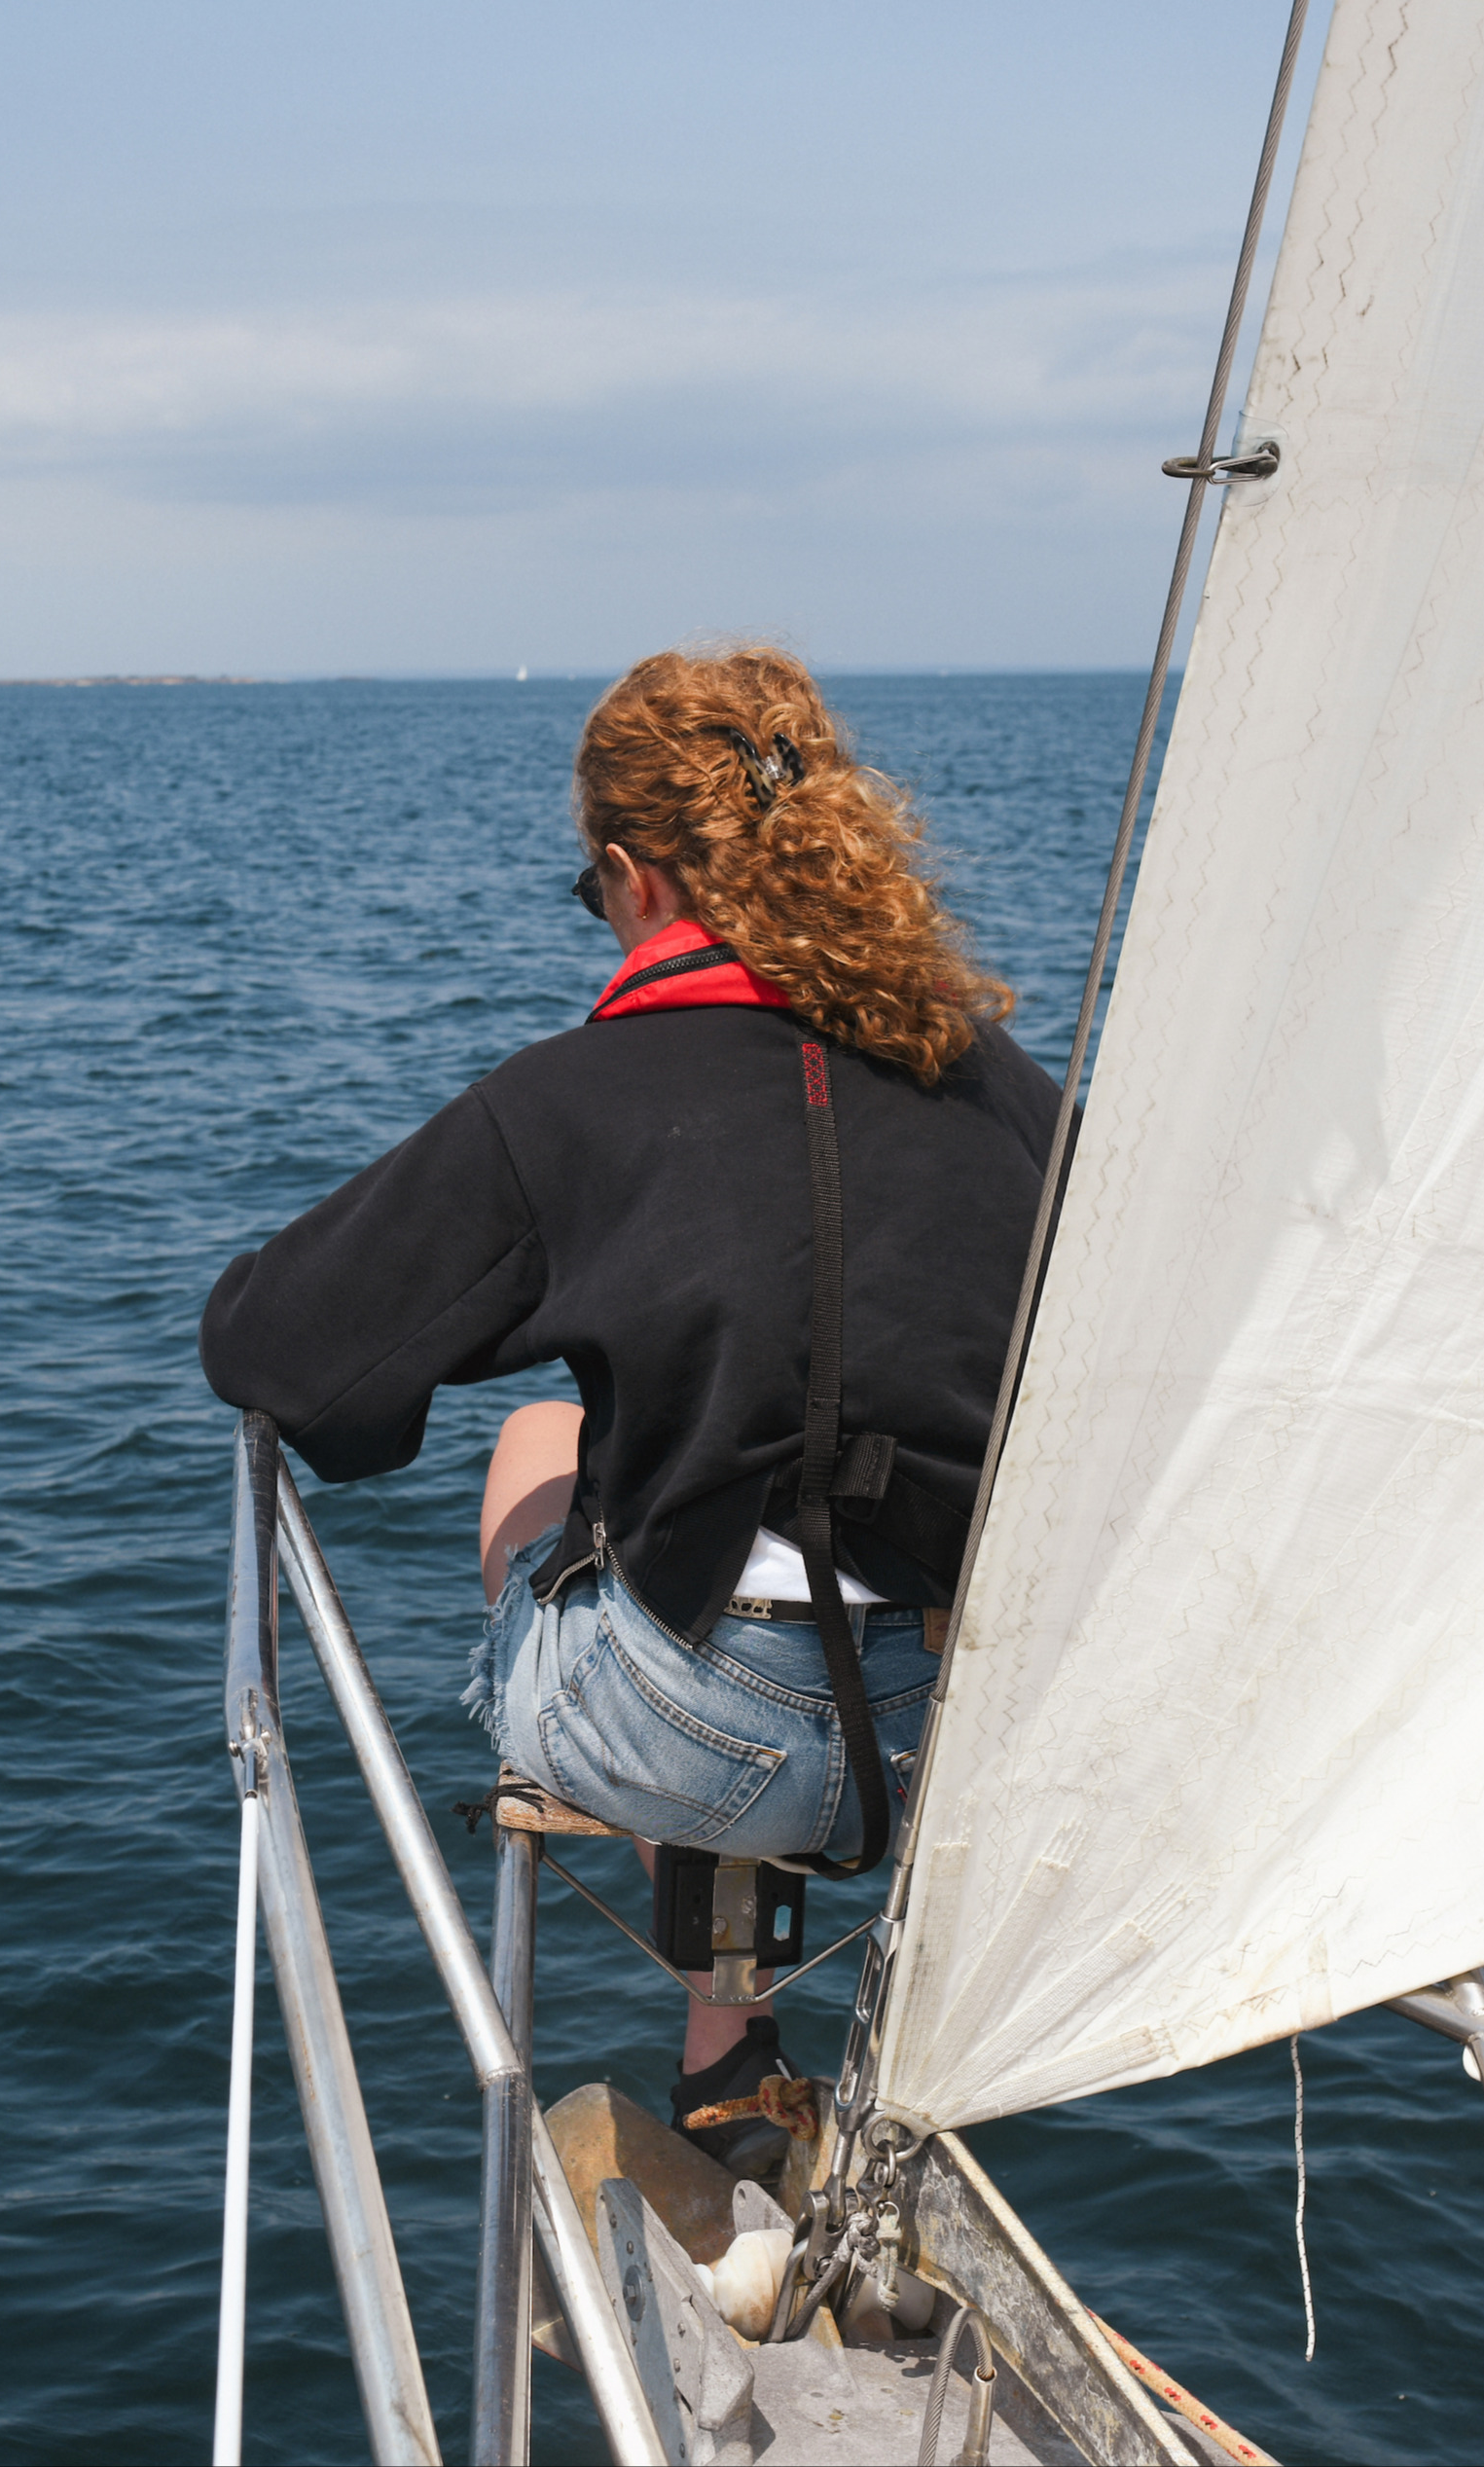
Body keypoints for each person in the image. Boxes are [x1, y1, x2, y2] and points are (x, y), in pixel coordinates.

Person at [199, 645, 1058, 2175]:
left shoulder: (572, 1103)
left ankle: (726, 2026)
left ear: (627, 871)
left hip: (694, 1738)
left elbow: (280, 1347)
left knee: (555, 1450)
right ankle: (733, 2058)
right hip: (967, 1729)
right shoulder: (992, 1079)